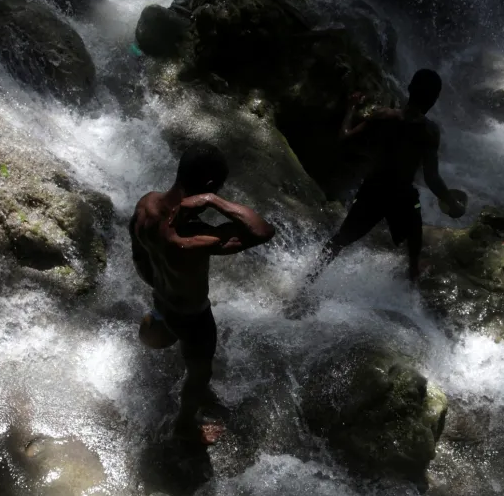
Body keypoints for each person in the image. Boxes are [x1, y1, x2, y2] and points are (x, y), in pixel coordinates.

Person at [131, 142, 276, 444]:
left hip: (162, 299)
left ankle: (156, 324)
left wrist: (158, 282)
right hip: (193, 317)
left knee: (166, 326)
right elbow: (262, 231)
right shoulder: (194, 240)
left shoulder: (146, 205)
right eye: (216, 188)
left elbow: (139, 257)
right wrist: (215, 201)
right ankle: (185, 428)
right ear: (209, 185)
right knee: (199, 375)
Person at [291, 70, 464, 298]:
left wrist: (351, 107)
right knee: (413, 250)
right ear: (434, 99)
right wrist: (452, 203)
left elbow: (344, 138)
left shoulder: (383, 116)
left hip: (374, 189)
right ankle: (413, 297)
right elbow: (432, 178)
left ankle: (305, 284)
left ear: (410, 88)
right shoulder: (430, 131)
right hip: (402, 195)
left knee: (340, 241)